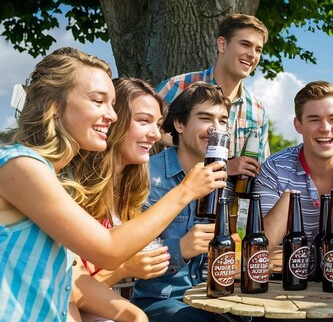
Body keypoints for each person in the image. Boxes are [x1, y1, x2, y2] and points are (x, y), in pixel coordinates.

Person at [0, 47, 226, 321]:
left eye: (112, 104)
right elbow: (107, 252)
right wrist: (186, 191)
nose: (113, 115)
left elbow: (71, 278)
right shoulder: (19, 164)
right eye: (98, 101)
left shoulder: (51, 174)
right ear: (54, 105)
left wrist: (134, 316)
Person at [69, 78, 170, 321]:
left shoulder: (128, 193)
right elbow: (69, 288)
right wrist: (124, 268)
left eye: (157, 124)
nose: (156, 134)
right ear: (114, 121)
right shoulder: (72, 188)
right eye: (143, 121)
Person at [131, 81, 232, 322]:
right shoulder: (145, 176)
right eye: (206, 118)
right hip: (163, 302)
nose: (216, 129)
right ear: (179, 124)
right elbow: (124, 252)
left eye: (223, 121)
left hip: (218, 300)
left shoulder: (225, 182)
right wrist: (180, 249)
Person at [156, 13, 270, 183]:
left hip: (229, 204)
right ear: (222, 45)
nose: (252, 55)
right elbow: (147, 135)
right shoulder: (177, 87)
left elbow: (262, 166)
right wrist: (223, 165)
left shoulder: (257, 109)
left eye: (258, 49)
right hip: (171, 194)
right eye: (245, 45)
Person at [255, 81, 333, 251]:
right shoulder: (274, 168)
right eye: (314, 120)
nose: (325, 128)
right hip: (289, 277)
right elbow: (261, 247)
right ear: (298, 125)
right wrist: (291, 198)